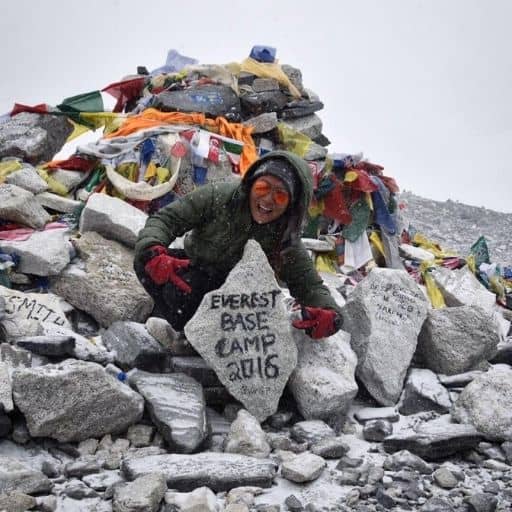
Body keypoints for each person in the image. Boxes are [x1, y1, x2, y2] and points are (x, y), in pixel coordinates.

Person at [134, 150, 343, 339]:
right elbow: (167, 219)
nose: (267, 199)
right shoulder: (219, 196)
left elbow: (309, 286)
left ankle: (199, 333)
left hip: (236, 298)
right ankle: (179, 326)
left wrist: (331, 316)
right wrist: (153, 251)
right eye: (262, 187)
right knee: (147, 264)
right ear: (251, 184)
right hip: (193, 269)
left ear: (291, 204)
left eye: (280, 195)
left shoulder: (285, 239)